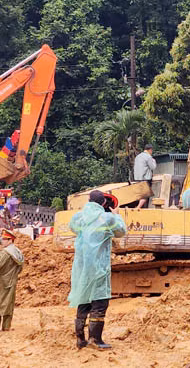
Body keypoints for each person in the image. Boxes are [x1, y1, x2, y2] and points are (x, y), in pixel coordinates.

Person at [68, 190, 127, 350]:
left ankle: (80, 339)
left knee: (84, 299)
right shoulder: (107, 218)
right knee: (99, 302)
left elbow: (73, 227)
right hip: (98, 266)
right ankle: (95, 339)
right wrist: (116, 215)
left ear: (89, 201)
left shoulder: (79, 217)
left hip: (82, 266)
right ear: (103, 203)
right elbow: (121, 231)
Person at [133, 143, 156, 209]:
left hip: (137, 178)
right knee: (145, 195)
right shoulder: (148, 157)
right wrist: (154, 161)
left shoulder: (138, 157)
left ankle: (138, 207)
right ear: (150, 150)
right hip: (146, 179)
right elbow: (153, 167)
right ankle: (139, 207)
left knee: (139, 195)